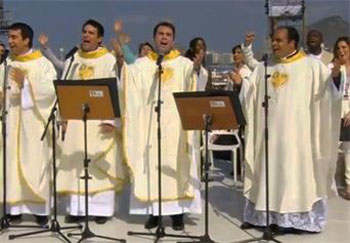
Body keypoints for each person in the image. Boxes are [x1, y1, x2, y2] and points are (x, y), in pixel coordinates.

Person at [241, 26, 341, 233]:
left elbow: (328, 92)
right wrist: (242, 85)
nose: (274, 44)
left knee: (293, 174)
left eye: (278, 40)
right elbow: (250, 92)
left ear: (292, 43)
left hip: (297, 135)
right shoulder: (265, 67)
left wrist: (335, 77)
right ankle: (264, 216)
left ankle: (295, 219)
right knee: (269, 172)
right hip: (268, 134)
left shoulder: (311, 66)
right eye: (273, 40)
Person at [122, 21, 202, 231]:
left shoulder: (183, 63)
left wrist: (195, 68)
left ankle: (177, 214)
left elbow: (190, 80)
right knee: (153, 168)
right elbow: (131, 80)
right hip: (151, 126)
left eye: (168, 35)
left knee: (174, 168)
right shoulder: (142, 64)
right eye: (160, 34)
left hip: (176, 127)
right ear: (154, 37)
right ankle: (155, 214)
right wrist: (125, 63)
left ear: (173, 39)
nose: (164, 38)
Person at [57, 19, 125, 225]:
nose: (86, 36)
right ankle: (77, 209)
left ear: (100, 38)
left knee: (97, 165)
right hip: (76, 121)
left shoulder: (107, 60)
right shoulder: (72, 60)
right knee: (76, 162)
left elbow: (116, 91)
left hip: (99, 120)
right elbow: (65, 90)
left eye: (91, 33)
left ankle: (101, 210)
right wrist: (64, 117)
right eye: (84, 31)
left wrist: (112, 121)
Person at [0, 22, 56, 225]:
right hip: (12, 121)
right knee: (10, 165)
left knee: (35, 164)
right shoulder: (6, 64)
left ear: (26, 40)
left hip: (33, 124)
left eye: (15, 37)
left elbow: (51, 91)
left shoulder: (42, 64)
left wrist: (27, 84)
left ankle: (39, 210)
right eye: (10, 37)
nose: (10, 41)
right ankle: (13, 209)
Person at [331, 36, 350, 200]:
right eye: (338, 48)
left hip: (349, 113)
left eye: (344, 47)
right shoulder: (334, 67)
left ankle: (349, 186)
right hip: (336, 113)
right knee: (331, 149)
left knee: (349, 151)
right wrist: (335, 70)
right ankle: (327, 185)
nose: (341, 51)